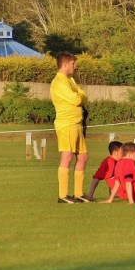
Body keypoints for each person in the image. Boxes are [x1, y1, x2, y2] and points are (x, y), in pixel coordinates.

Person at [50, 52, 89, 204]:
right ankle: (63, 195)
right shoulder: (59, 82)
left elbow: (83, 96)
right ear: (65, 65)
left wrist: (81, 96)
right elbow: (77, 98)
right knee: (67, 156)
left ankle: (78, 193)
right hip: (67, 124)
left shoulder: (70, 80)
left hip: (77, 123)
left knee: (83, 157)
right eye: (73, 64)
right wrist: (80, 96)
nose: (75, 66)